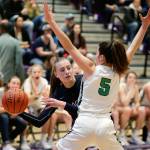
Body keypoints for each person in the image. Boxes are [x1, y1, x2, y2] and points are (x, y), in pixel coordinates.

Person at [42, 2, 150, 150]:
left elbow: (69, 46)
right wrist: (144, 27)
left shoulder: (91, 69)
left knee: (56, 148)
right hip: (105, 125)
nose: (96, 54)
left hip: (84, 123)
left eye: (98, 52)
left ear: (102, 58)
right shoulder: (119, 70)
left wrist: (52, 23)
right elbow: (132, 47)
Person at [0, 76, 28, 150]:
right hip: (1, 116)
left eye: (18, 84)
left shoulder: (20, 94)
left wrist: (18, 112)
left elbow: (25, 110)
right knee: (4, 117)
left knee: (23, 123)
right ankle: (6, 144)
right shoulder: (1, 92)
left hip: (10, 117)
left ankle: (7, 140)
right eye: (13, 83)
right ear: (9, 84)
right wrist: (10, 110)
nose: (15, 85)